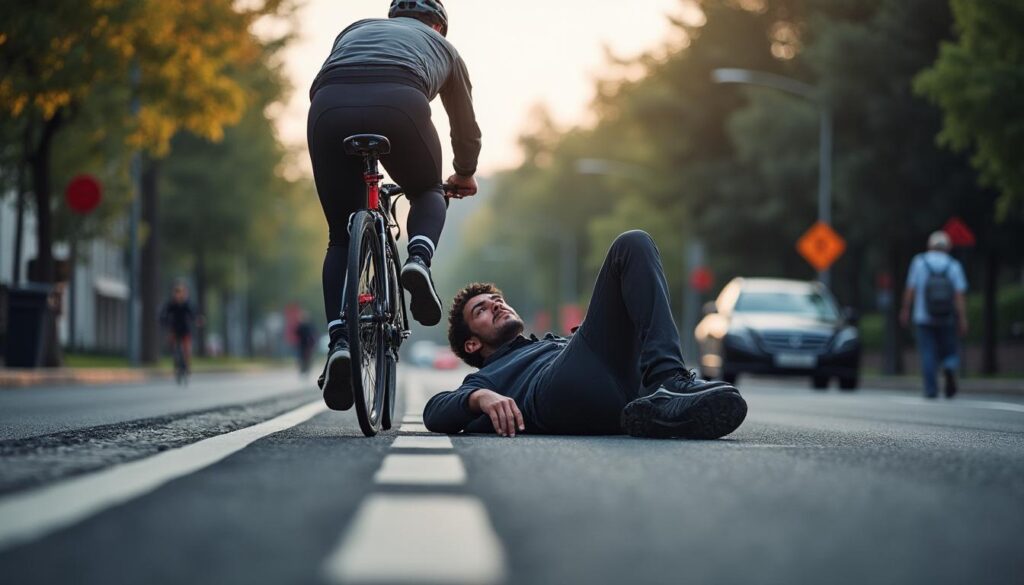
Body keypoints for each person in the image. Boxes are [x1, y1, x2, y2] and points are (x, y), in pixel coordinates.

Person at [308, 0, 481, 411]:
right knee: (427, 191)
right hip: (400, 102)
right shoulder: (444, 48)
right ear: (438, 26)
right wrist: (464, 172)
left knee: (340, 237)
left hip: (328, 107)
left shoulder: (355, 29)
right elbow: (464, 125)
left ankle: (339, 341)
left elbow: (322, 80)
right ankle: (417, 260)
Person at [423, 231, 748, 439]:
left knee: (637, 250)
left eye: (498, 300)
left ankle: (663, 403)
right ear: (472, 344)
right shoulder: (489, 376)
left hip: (620, 389)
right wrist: (479, 397)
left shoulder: (547, 343)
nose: (496, 305)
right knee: (631, 244)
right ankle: (668, 381)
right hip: (558, 389)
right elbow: (435, 412)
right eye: (480, 310)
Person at [900, 230, 968, 398]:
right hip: (947, 317)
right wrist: (962, 318)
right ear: (948, 247)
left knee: (928, 352)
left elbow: (910, 289)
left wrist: (905, 309)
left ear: (929, 246)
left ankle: (931, 389)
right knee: (950, 350)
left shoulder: (919, 262)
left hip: (923, 316)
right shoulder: (953, 265)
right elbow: (959, 295)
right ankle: (949, 366)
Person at [160, 283, 200, 374]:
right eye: (177, 292)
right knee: (173, 344)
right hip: (174, 327)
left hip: (185, 328)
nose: (179, 295)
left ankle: (187, 365)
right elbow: (164, 313)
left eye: (181, 292)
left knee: (187, 347)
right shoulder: (171, 304)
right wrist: (163, 321)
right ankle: (176, 362)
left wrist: (197, 320)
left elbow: (193, 313)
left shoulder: (187, 304)